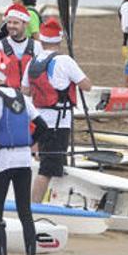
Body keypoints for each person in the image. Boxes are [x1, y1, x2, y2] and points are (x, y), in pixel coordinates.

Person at [0, 53, 48, 255]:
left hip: (4, 161)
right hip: (23, 160)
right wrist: (30, 144)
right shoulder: (22, 97)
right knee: (24, 212)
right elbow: (43, 126)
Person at [23, 18, 92, 203]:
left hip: (39, 120)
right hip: (58, 123)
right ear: (59, 40)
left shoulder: (33, 61)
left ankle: (54, 200)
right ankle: (33, 206)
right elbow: (87, 86)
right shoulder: (65, 60)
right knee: (47, 169)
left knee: (52, 164)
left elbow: (25, 90)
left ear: (42, 40)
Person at [0, 5, 43, 89]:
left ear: (25, 24)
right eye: (9, 22)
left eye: (15, 23)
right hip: (7, 96)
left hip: (30, 97)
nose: (11, 26)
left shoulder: (37, 47)